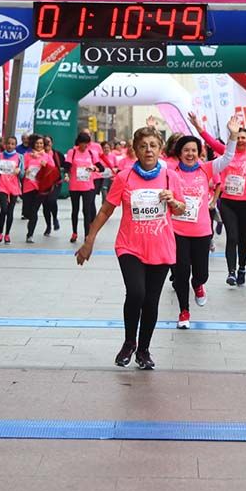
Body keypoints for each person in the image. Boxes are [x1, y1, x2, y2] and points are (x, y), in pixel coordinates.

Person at [76, 126, 187, 369]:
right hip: (130, 246)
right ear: (135, 150)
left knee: (151, 301)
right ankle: (129, 342)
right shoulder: (125, 177)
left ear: (160, 149)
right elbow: (106, 209)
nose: (148, 150)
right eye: (143, 145)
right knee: (136, 293)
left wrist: (174, 201)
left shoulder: (171, 177)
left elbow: (182, 209)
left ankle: (144, 350)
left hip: (161, 247)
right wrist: (89, 239)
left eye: (153, 145)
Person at [169, 134, 217, 326]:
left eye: (194, 150)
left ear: (199, 153)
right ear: (179, 153)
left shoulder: (206, 169)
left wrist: (231, 135)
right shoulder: (170, 172)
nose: (190, 154)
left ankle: (198, 284)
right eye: (186, 150)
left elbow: (228, 156)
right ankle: (184, 311)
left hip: (201, 231)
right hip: (176, 230)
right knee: (180, 273)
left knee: (201, 273)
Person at [215, 117, 246, 287]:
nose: (240, 140)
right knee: (231, 237)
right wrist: (198, 126)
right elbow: (210, 141)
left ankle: (242, 268)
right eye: (238, 137)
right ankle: (231, 272)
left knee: (242, 239)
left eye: (244, 138)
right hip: (228, 202)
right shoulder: (226, 153)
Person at [65, 133, 107, 243]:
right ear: (79, 143)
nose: (85, 146)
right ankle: (74, 232)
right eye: (83, 144)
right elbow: (67, 166)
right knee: (75, 209)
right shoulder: (72, 152)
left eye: (87, 144)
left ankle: (87, 235)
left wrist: (94, 169)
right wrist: (66, 174)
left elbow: (101, 168)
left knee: (86, 210)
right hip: (74, 185)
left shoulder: (91, 153)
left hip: (88, 186)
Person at [21, 135, 55, 243]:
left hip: (40, 188)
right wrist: (25, 172)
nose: (39, 145)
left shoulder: (47, 156)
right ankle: (30, 223)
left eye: (41, 143)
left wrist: (46, 166)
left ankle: (29, 234)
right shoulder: (26, 155)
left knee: (34, 211)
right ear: (33, 144)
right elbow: (22, 170)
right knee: (27, 212)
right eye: (37, 143)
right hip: (28, 186)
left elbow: (53, 170)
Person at [0, 136, 24, 243]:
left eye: (12, 144)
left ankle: (7, 234)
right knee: (4, 209)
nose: (10, 146)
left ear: (15, 145)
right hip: (2, 186)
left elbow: (22, 174)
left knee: (10, 211)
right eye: (8, 143)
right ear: (5, 144)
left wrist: (19, 171)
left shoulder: (19, 157)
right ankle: (0, 232)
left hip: (14, 187)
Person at [42, 135, 64, 235]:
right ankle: (48, 226)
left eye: (49, 142)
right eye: (45, 142)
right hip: (44, 183)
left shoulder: (57, 154)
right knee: (45, 205)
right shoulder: (40, 155)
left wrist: (67, 174)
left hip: (56, 183)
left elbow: (65, 165)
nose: (47, 144)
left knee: (52, 200)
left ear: (52, 143)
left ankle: (55, 218)